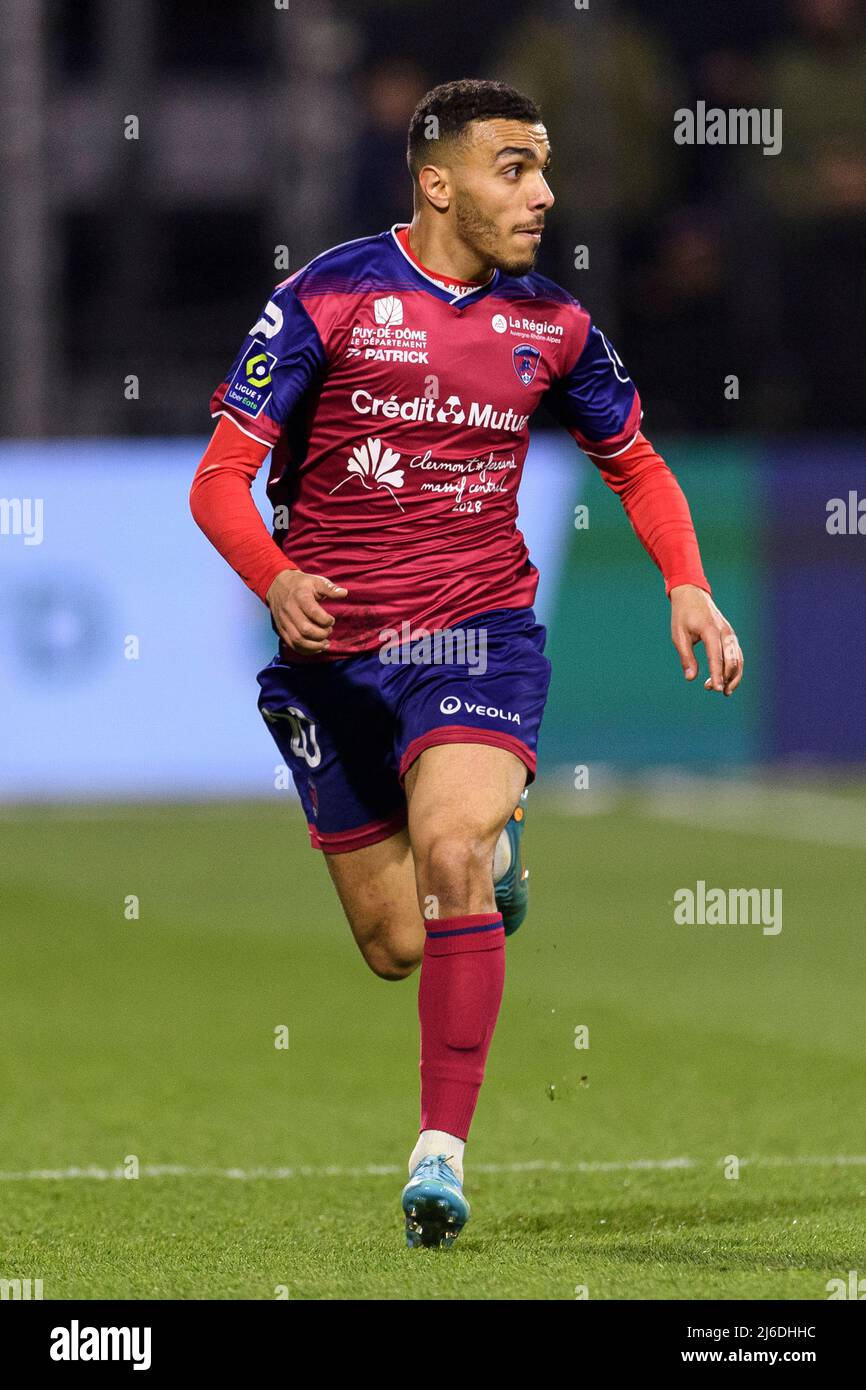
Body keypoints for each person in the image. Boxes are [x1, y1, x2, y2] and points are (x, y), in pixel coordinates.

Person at [190, 78, 744, 1249]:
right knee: (395, 948)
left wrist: (684, 581)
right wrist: (275, 577)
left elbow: (635, 464)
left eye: (543, 167)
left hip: (475, 636)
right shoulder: (327, 296)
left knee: (450, 846)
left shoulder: (556, 326)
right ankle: (491, 851)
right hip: (333, 657)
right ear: (436, 183)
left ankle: (439, 1154)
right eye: (512, 168)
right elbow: (215, 479)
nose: (541, 193)